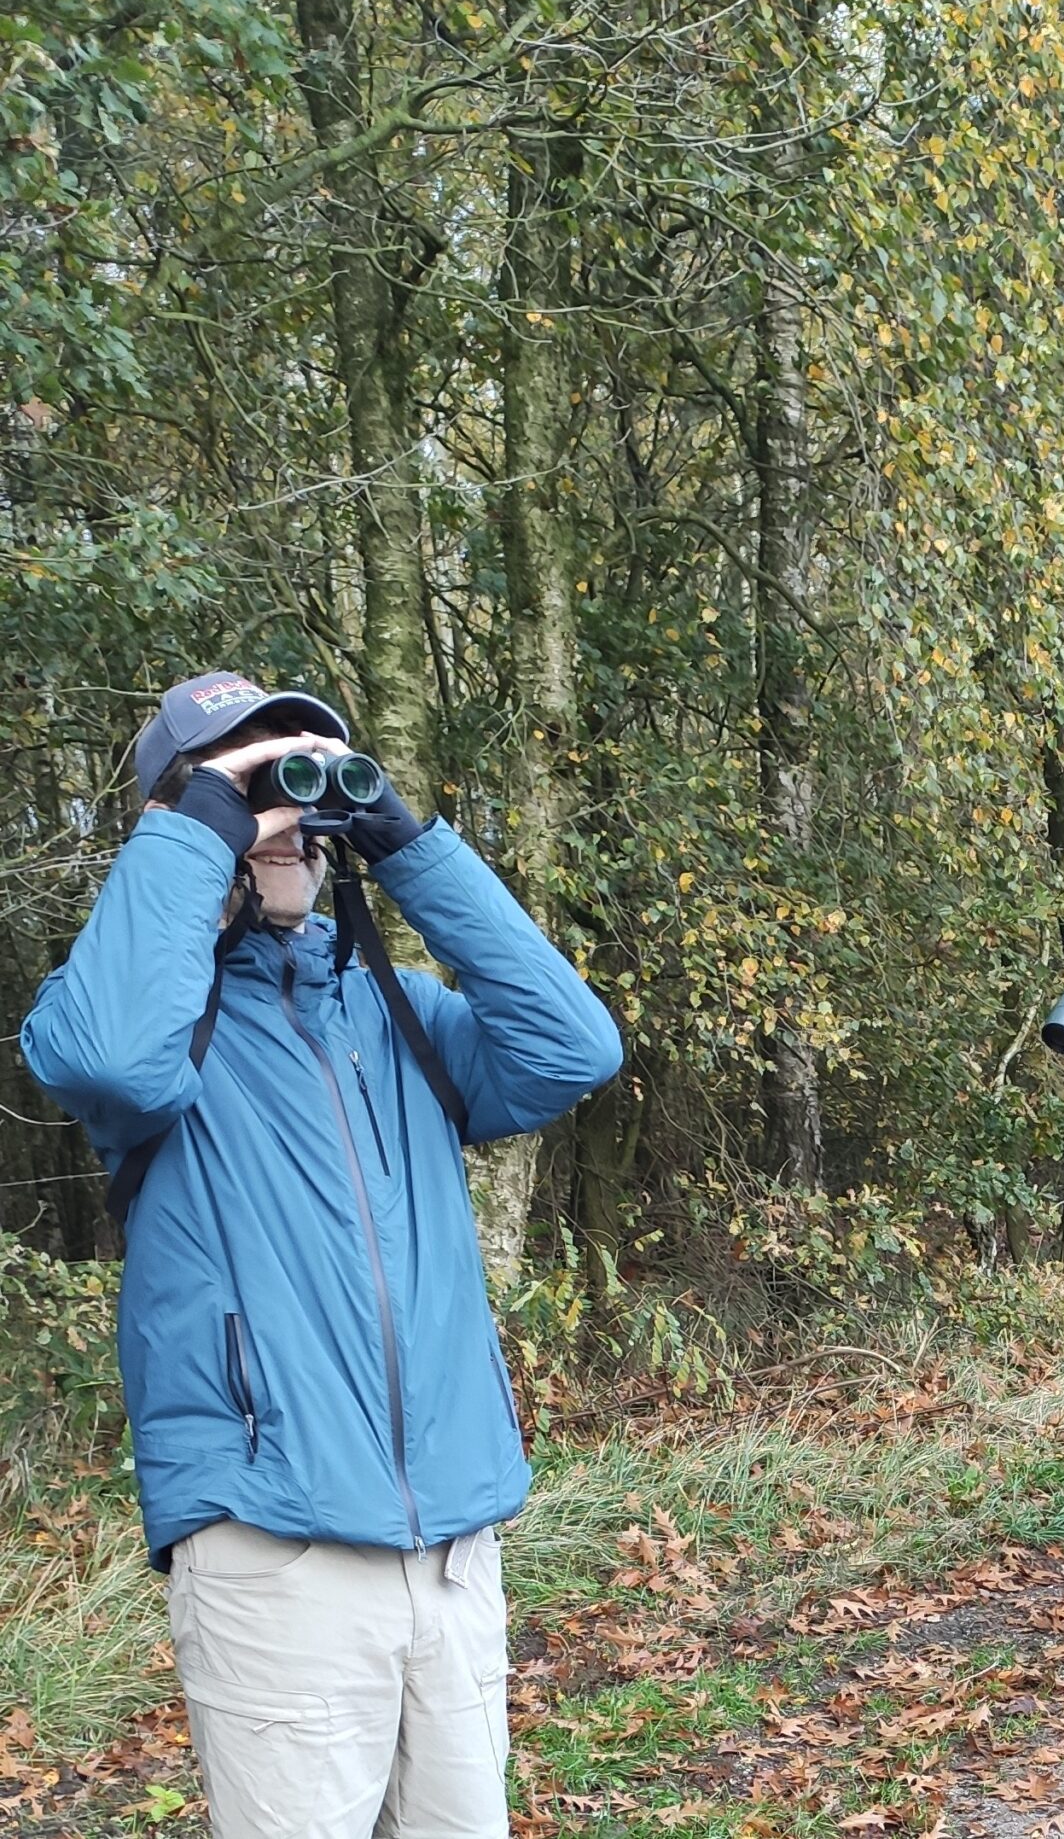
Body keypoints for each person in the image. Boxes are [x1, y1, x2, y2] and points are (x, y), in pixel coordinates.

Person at [21, 671, 624, 1839]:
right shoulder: (151, 1027)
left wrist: (410, 845)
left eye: (306, 777)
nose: (289, 814)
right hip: (276, 1553)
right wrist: (202, 830)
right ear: (182, 824)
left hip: (451, 1551)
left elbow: (573, 1047)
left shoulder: (399, 1017)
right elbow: (110, 1062)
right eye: (252, 781)